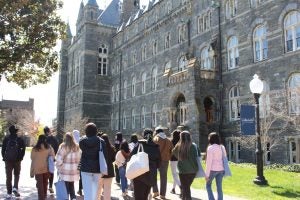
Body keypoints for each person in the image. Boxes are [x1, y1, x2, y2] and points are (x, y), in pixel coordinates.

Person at [131, 128, 161, 200]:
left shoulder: (140, 143)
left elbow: (132, 156)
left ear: (143, 135)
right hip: (150, 175)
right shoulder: (156, 146)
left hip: (139, 173)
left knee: (138, 197)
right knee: (145, 197)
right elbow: (159, 162)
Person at [79, 123, 107, 200]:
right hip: (98, 169)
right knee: (96, 193)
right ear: (96, 131)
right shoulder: (101, 142)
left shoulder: (82, 141)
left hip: (85, 169)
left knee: (87, 192)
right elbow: (105, 156)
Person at [1, 125, 26, 198]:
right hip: (17, 160)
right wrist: (21, 157)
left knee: (8, 177)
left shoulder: (6, 139)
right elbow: (23, 149)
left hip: (8, 160)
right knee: (17, 174)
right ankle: (15, 188)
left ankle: (9, 193)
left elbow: (3, 150)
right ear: (16, 131)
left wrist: (4, 157)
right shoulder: (19, 139)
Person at [172, 131, 198, 200]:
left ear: (181, 138)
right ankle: (184, 198)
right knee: (185, 188)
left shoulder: (178, 146)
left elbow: (173, 152)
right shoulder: (193, 146)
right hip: (193, 171)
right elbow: (196, 157)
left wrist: (179, 142)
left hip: (183, 171)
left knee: (185, 188)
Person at [56, 132, 81, 200]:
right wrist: (77, 168)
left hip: (65, 171)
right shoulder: (77, 147)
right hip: (73, 171)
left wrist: (59, 166)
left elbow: (58, 159)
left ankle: (66, 198)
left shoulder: (63, 146)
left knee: (65, 188)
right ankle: (73, 198)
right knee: (71, 185)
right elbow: (80, 159)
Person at [30, 135, 55, 200]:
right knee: (45, 183)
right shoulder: (49, 147)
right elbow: (53, 157)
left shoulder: (34, 148)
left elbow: (32, 158)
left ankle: (41, 198)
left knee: (40, 184)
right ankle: (45, 196)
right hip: (46, 168)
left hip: (37, 168)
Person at [152, 126, 173, 199]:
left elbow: (153, 150)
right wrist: (168, 157)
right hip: (165, 160)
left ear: (156, 132)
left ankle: (155, 192)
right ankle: (163, 194)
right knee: (164, 177)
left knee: (153, 176)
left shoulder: (155, 139)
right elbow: (171, 151)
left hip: (156, 160)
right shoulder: (169, 140)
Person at [205, 132, 225, 200]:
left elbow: (209, 162)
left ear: (211, 139)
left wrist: (207, 175)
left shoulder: (210, 148)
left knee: (208, 185)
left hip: (212, 170)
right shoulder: (222, 147)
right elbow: (224, 158)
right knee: (219, 188)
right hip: (221, 170)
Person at [97, 134, 116, 200]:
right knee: (107, 189)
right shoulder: (112, 148)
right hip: (109, 170)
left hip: (100, 170)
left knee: (98, 188)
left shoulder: (99, 148)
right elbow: (114, 159)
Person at [44, 126, 59, 194]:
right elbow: (57, 147)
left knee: (44, 172)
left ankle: (44, 185)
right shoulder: (54, 138)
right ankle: (50, 186)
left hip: (44, 158)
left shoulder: (43, 138)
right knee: (51, 171)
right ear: (49, 131)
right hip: (52, 157)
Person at [170, 129, 181, 194]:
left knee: (174, 175)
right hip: (180, 160)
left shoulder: (171, 141)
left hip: (173, 160)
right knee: (177, 175)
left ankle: (181, 187)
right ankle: (173, 189)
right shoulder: (181, 142)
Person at [72, 130, 83, 196]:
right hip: (81, 160)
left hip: (73, 161)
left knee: (72, 176)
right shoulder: (81, 140)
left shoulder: (71, 141)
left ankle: (72, 189)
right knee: (81, 176)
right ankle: (80, 189)